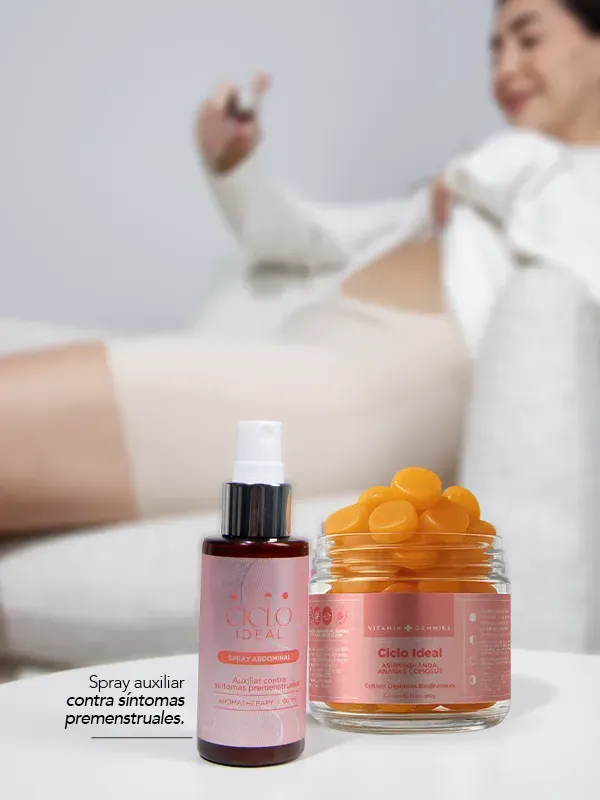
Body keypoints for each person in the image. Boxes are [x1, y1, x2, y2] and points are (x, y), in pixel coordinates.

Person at [1, 0, 600, 535]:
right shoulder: (479, 183)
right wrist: (235, 162)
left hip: (375, 390)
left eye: (529, 39)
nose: (505, 68)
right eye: (495, 50)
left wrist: (488, 170)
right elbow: (307, 241)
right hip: (310, 359)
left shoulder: (526, 175)